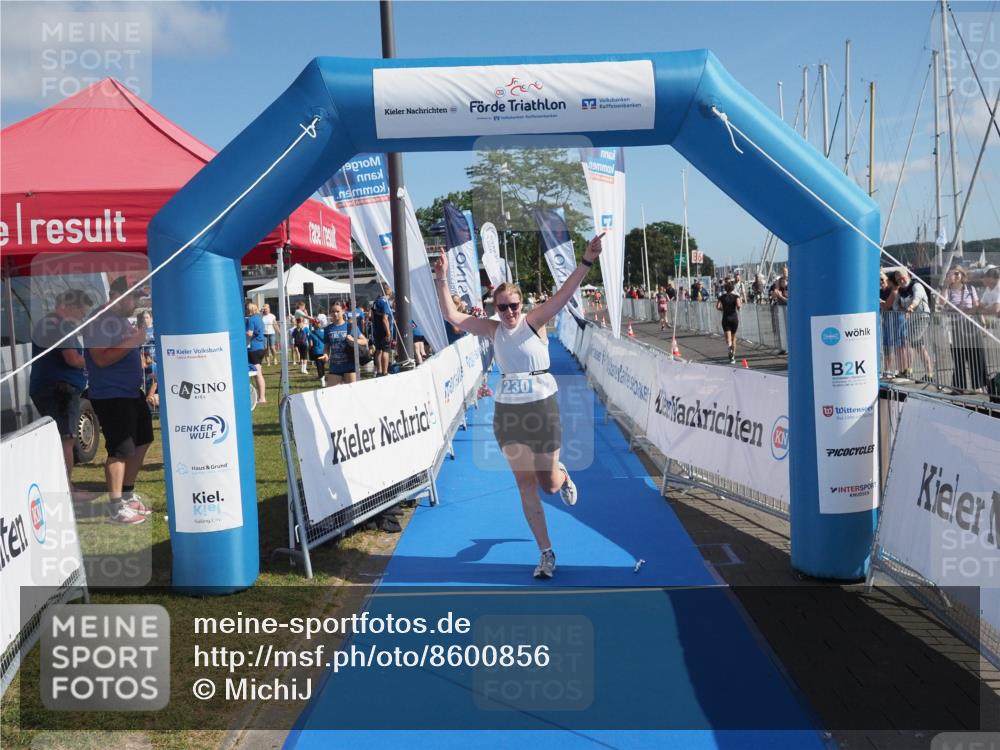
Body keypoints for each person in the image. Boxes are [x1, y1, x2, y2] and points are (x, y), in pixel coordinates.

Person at [434, 232, 606, 580]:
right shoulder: (492, 329)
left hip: (542, 408)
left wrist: (588, 258)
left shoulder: (535, 321)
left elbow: (565, 293)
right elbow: (453, 316)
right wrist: (441, 279)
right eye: (502, 307)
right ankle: (546, 552)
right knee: (525, 485)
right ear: (494, 309)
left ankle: (564, 474)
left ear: (522, 304)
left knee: (550, 485)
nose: (510, 312)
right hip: (509, 414)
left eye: (514, 305)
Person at [82, 276, 154, 524]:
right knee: (120, 449)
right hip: (111, 394)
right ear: (119, 296)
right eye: (135, 298)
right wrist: (133, 341)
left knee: (144, 440)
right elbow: (100, 358)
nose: (137, 304)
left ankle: (127, 495)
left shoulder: (120, 320)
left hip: (131, 392)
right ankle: (116, 507)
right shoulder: (99, 320)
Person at [29, 289, 96, 502]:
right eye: (80, 312)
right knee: (67, 439)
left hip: (53, 388)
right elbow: (73, 359)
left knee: (62, 439)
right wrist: (96, 364)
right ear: (69, 306)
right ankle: (68, 490)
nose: (81, 317)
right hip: (59, 391)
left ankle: (65, 486)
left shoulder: (50, 324)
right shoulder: (59, 325)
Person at [942, 266, 986, 391]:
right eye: (951, 274)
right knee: (959, 356)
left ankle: (978, 386)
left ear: (962, 274)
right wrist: (946, 285)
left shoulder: (970, 289)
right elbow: (941, 302)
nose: (954, 276)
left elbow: (976, 306)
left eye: (957, 273)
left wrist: (982, 322)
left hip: (971, 325)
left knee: (975, 355)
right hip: (956, 326)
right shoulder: (948, 290)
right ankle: (959, 387)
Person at [893, 269, 934, 383]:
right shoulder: (901, 290)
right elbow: (895, 305)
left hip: (922, 318)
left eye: (903, 277)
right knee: (919, 346)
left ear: (909, 276)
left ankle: (913, 371)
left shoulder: (917, 285)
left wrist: (911, 307)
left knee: (911, 341)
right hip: (912, 320)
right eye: (898, 279)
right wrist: (902, 309)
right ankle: (926, 373)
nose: (901, 280)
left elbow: (917, 298)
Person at [324, 303, 366, 386]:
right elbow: (327, 346)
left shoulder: (350, 326)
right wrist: (326, 355)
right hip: (335, 366)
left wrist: (353, 339)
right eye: (333, 312)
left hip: (350, 365)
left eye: (338, 311)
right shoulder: (328, 329)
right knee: (331, 393)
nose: (335, 314)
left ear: (343, 312)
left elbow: (364, 341)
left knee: (352, 394)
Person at [879, 270, 900, 379]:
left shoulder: (892, 290)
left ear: (887, 280)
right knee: (886, 345)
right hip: (885, 319)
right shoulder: (879, 291)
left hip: (893, 319)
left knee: (893, 344)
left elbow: (887, 306)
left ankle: (896, 369)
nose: (880, 282)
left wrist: (880, 302)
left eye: (882, 279)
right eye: (878, 280)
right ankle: (887, 369)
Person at [245, 302, 267, 404]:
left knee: (257, 374)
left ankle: (262, 398)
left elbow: (250, 333)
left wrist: (240, 333)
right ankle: (261, 397)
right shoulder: (259, 318)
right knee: (258, 373)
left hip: (254, 348)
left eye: (246, 309)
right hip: (261, 348)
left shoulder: (251, 319)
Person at [371, 283, 395, 376]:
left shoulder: (376, 301)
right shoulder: (385, 302)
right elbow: (385, 318)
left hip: (377, 330)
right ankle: (385, 372)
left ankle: (379, 371)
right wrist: (388, 333)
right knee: (385, 350)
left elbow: (372, 316)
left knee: (378, 350)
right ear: (388, 290)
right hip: (384, 330)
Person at [716, 281, 742, 363]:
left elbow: (717, 307)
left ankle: (730, 349)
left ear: (725, 289)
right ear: (733, 288)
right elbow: (739, 306)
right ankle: (733, 355)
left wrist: (723, 309)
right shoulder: (736, 296)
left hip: (726, 318)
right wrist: (739, 307)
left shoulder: (721, 297)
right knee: (734, 338)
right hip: (734, 318)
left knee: (728, 339)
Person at [308, 318, 328, 386]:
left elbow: (311, 344)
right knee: (322, 365)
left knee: (319, 366)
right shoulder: (324, 331)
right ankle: (323, 377)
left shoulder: (311, 333)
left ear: (313, 325)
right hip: (324, 351)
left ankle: (322, 380)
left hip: (316, 351)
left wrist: (310, 349)